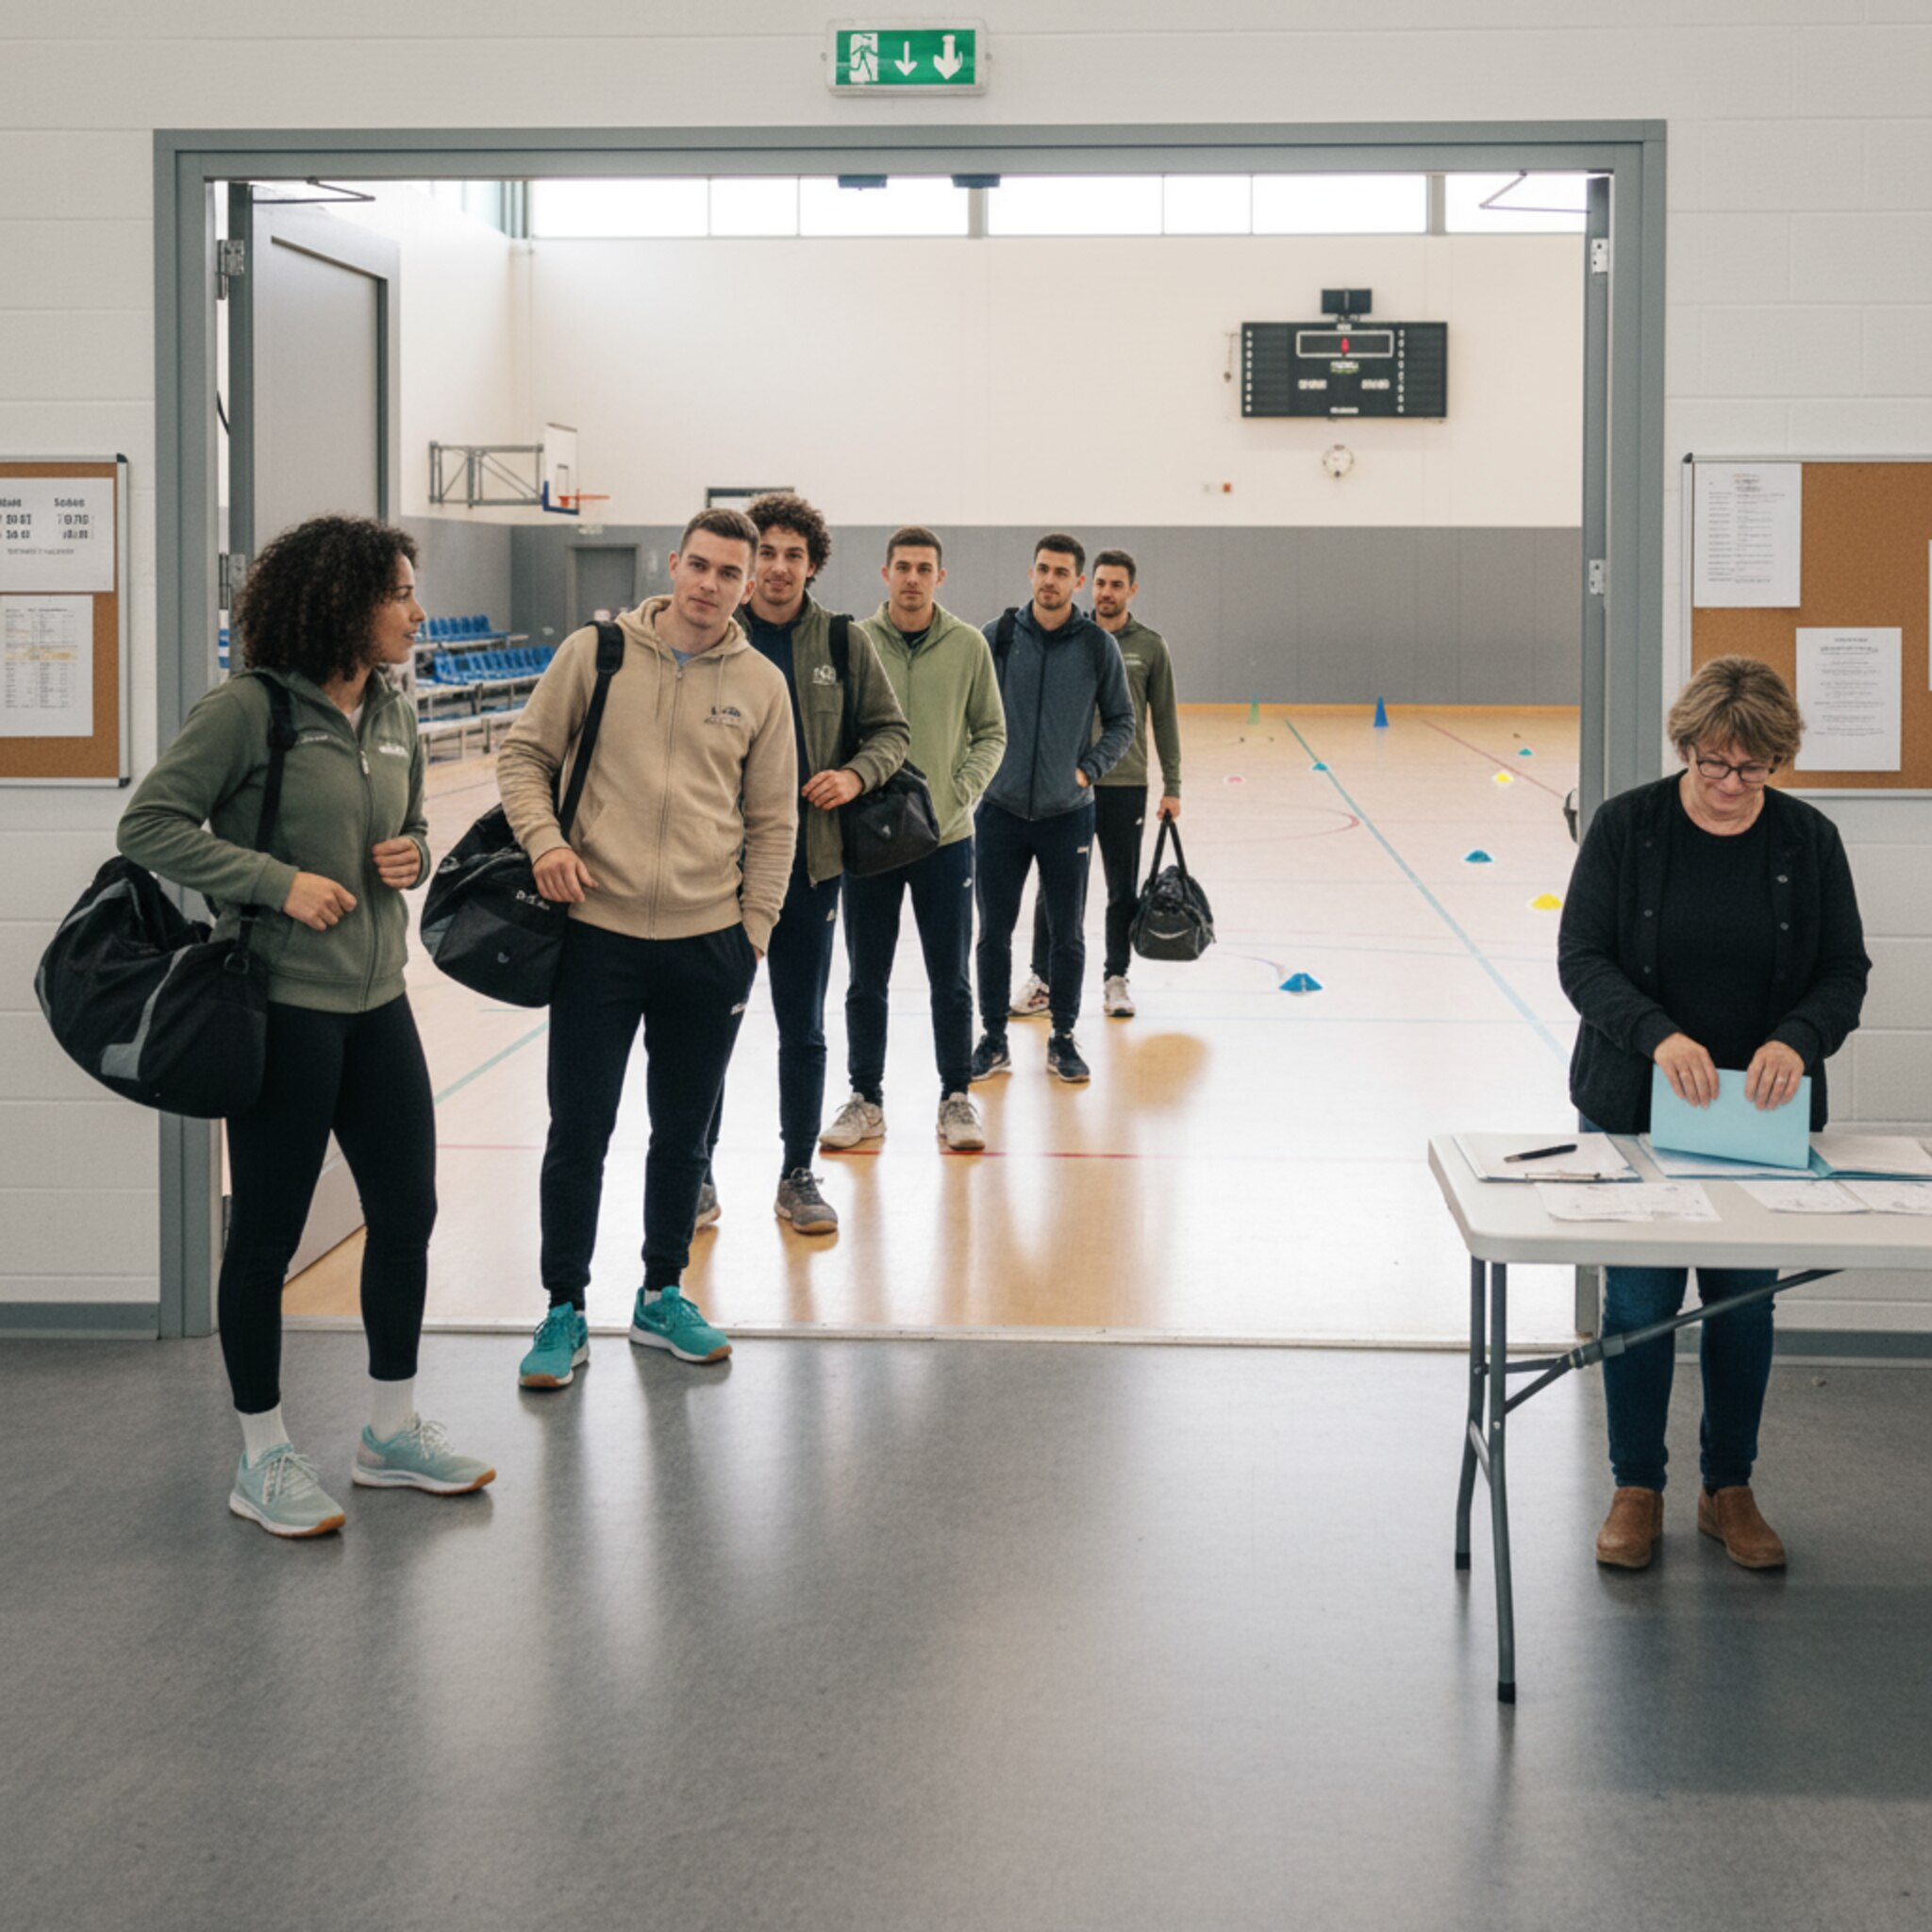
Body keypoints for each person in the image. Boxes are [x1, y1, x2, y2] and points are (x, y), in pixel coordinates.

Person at [117, 515, 493, 1538]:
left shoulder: (394, 710)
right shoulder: (248, 710)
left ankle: (390, 1432)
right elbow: (148, 824)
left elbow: (411, 823)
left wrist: (413, 852)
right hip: (283, 1010)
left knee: (406, 1215)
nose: (417, 611)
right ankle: (263, 1454)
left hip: (379, 1003)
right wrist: (275, 882)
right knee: (268, 1236)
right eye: (399, 594)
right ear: (342, 602)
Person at [1558, 655, 1870, 1573]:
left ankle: (1726, 1486)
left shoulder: (1807, 840)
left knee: (1741, 1305)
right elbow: (1581, 958)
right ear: (1685, 748)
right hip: (1633, 1109)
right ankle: (1635, 1487)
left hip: (1757, 1121)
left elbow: (1843, 971)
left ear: (1777, 760)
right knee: (1639, 1301)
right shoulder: (1626, 828)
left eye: (1753, 768)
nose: (1732, 784)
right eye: (1713, 764)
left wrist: (1798, 1040)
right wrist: (1655, 1035)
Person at [502, 509, 795, 1386]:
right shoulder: (595, 655)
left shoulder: (761, 684)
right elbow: (523, 758)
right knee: (579, 1131)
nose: (710, 584)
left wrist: (753, 932)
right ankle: (563, 1306)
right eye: (699, 565)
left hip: (709, 946)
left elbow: (774, 820)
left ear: (748, 585)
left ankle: (661, 1293)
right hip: (598, 937)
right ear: (673, 564)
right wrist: (545, 843)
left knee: (683, 1137)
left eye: (729, 573)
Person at [698, 493, 908, 1236]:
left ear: (813, 564)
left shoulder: (844, 643)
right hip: (715, 875)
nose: (779, 567)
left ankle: (796, 1174)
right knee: (708, 1028)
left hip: (809, 870)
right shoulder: (713, 638)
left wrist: (854, 775)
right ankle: (696, 1171)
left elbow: (890, 732)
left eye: (794, 554)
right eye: (768, 552)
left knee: (803, 1030)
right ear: (749, 561)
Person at [824, 526, 1007, 1153]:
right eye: (902, 567)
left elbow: (992, 731)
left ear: (939, 577)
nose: (912, 578)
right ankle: (865, 1099)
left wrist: (960, 791)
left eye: (923, 568)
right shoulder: (855, 642)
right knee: (865, 978)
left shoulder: (968, 645)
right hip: (869, 840)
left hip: (945, 839)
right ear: (885, 574)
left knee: (951, 978)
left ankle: (956, 1095)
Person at [969, 534, 1133, 1085]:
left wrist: (1089, 769)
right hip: (1000, 810)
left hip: (1068, 813)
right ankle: (993, 1038)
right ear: (1031, 573)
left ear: (1078, 582)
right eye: (1043, 569)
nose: (1050, 580)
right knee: (993, 932)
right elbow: (969, 711)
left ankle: (1062, 1037)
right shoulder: (998, 636)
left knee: (1067, 935)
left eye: (1062, 573)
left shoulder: (1096, 646)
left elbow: (1122, 720)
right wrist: (980, 771)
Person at [1014, 547, 1181, 1022]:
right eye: (1101, 583)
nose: (1107, 592)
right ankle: (1043, 980)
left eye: (1117, 585)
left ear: (1132, 590)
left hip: (1124, 785)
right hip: (1066, 786)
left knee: (1121, 889)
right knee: (1053, 888)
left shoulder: (1150, 646)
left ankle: (1116, 978)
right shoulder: (1074, 639)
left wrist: (1173, 785)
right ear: (1089, 584)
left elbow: (1164, 720)